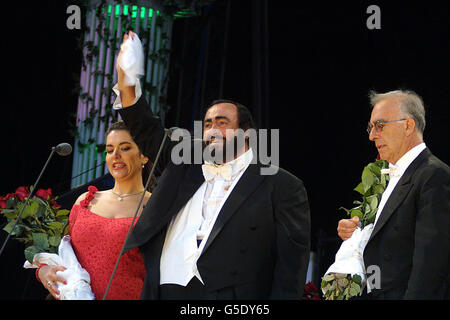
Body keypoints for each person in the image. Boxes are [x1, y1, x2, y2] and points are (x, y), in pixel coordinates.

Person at [114, 31, 311, 299]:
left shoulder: (281, 185)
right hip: (166, 289)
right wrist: (127, 82)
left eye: (222, 122)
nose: (213, 129)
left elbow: (291, 267)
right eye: (208, 123)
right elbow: (145, 128)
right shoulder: (183, 161)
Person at [337, 89, 450, 299]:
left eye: (380, 126)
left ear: (408, 126)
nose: (372, 136)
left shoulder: (434, 175)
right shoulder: (385, 175)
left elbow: (431, 264)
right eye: (370, 128)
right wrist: (356, 229)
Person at [36, 121, 152, 300]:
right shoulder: (85, 201)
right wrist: (43, 270)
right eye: (110, 149)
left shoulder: (155, 205)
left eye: (125, 148)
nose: (116, 156)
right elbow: (61, 254)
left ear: (144, 156)